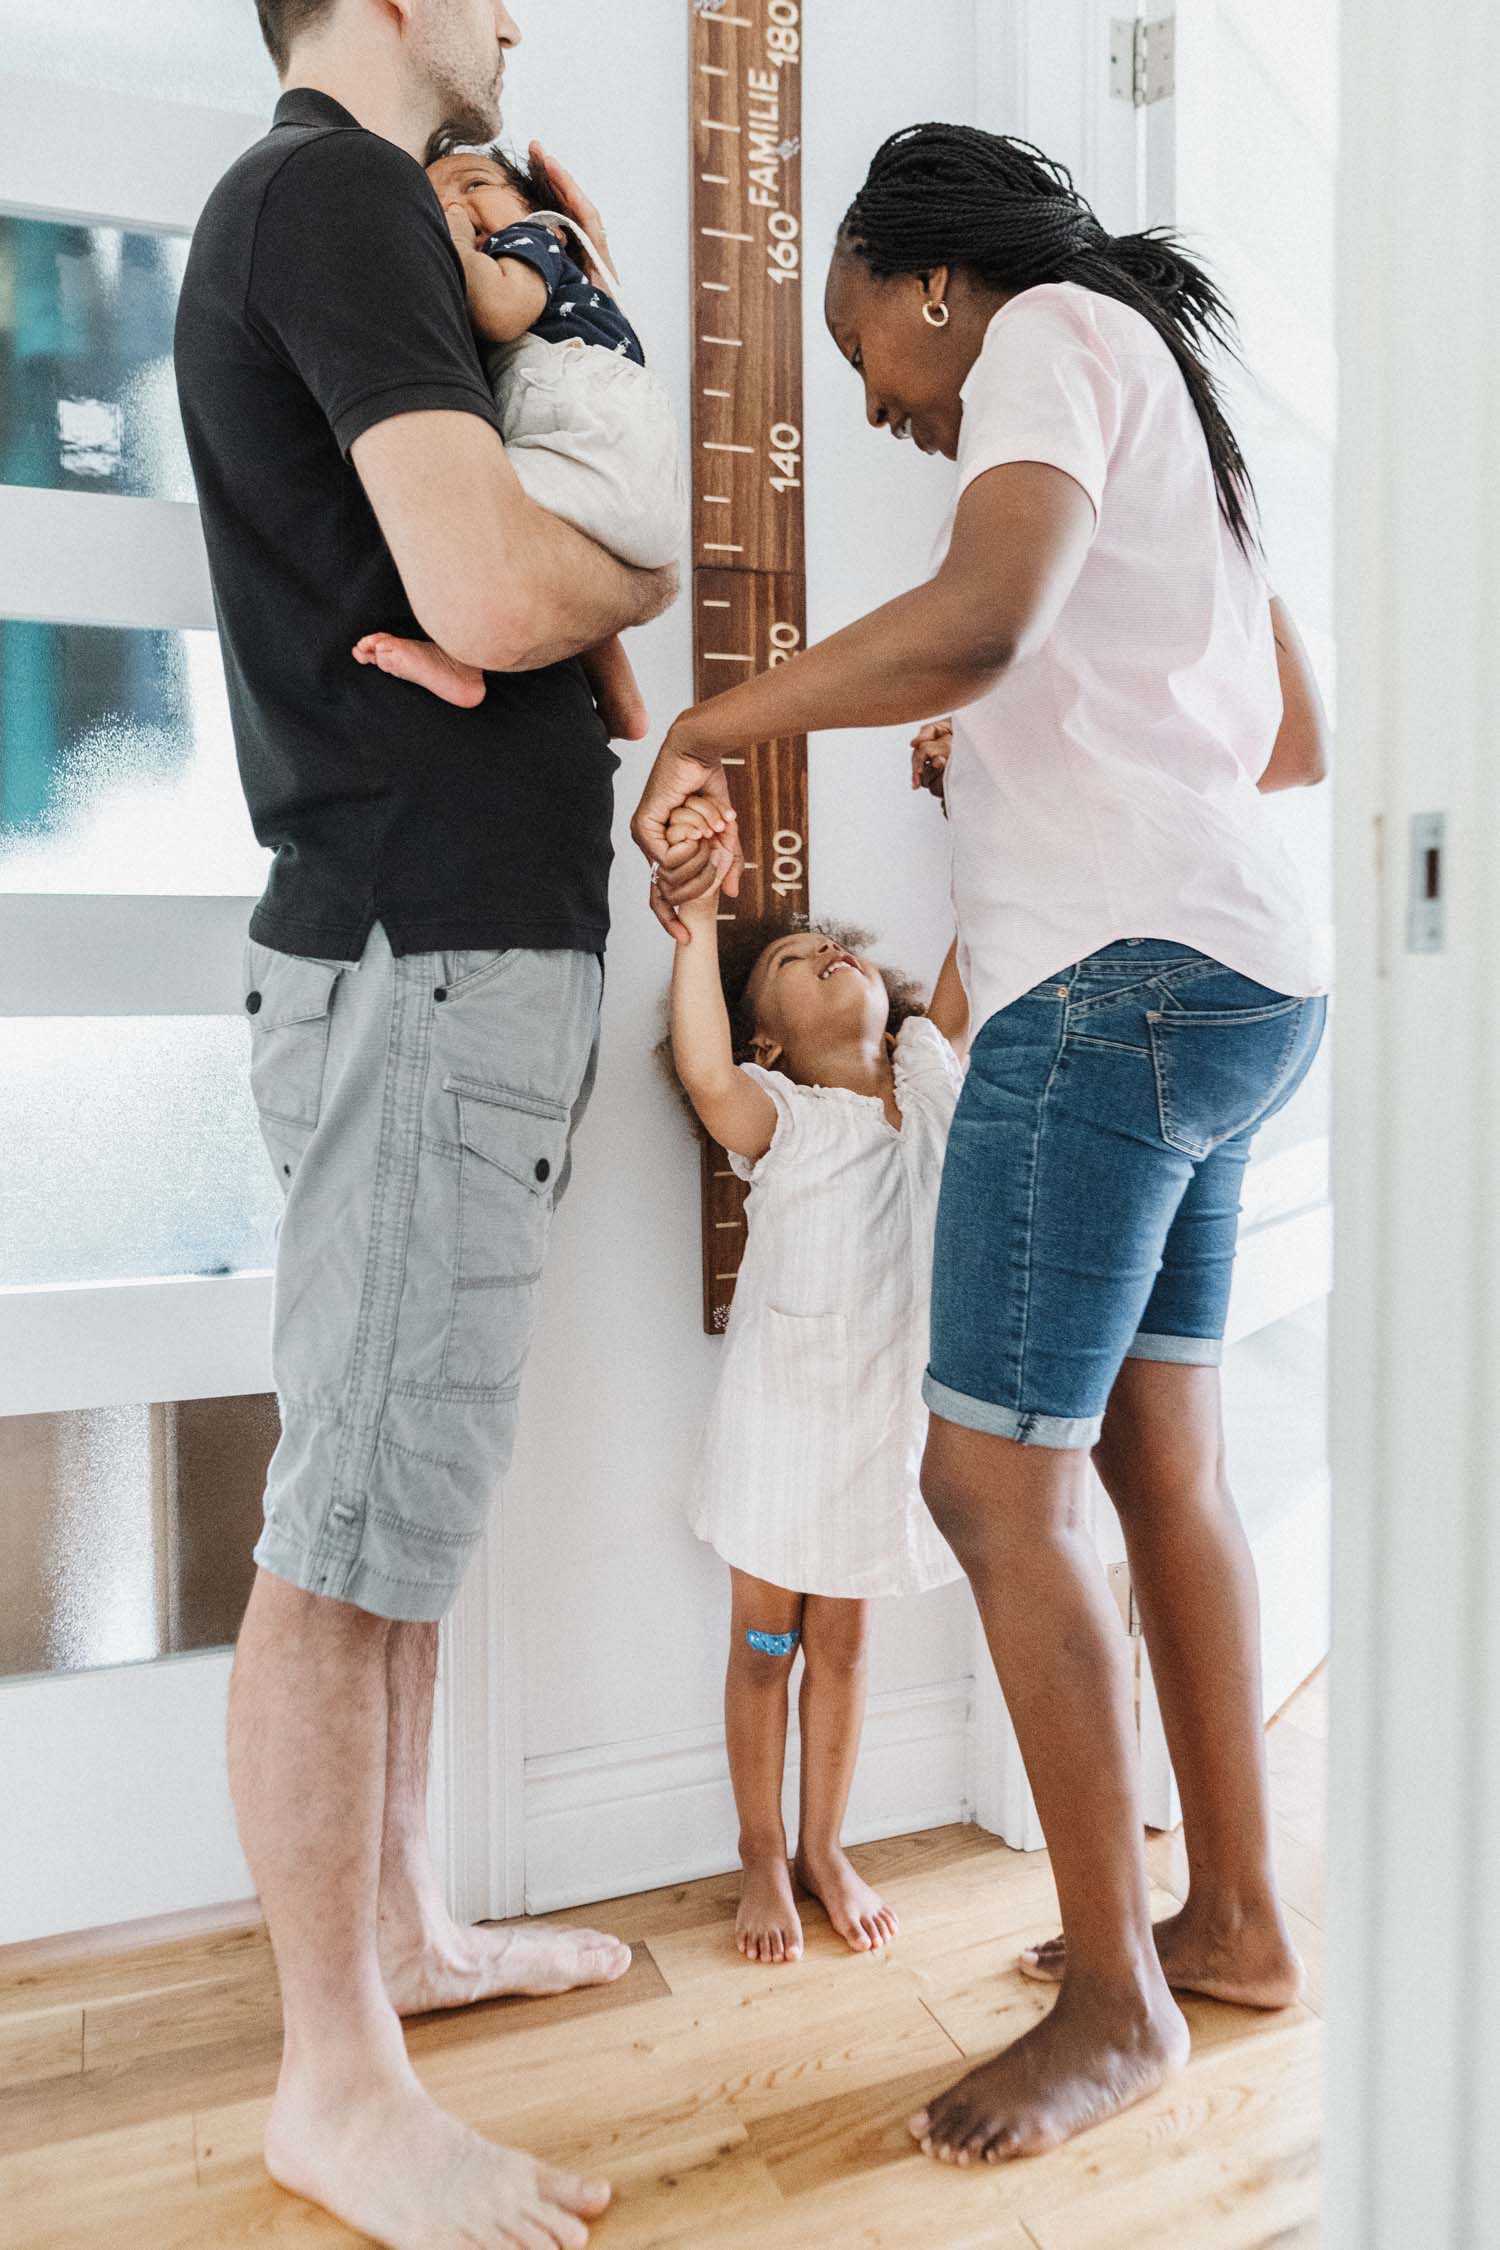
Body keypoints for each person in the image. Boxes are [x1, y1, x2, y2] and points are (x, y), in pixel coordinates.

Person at [636, 122, 1331, 2167]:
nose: (879, 398)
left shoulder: (1039, 328)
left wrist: (714, 724)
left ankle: (1117, 2003)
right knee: (1161, 1464)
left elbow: (981, 616)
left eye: (869, 349)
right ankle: (1234, 1924)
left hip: (1107, 990)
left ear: (927, 277)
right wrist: (1011, 727)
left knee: (983, 1482)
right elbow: (1278, 735)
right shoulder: (1174, 401)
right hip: (1242, 980)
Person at [173, 2, 677, 2244]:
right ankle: (336, 2090)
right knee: (347, 1526)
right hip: (416, 944)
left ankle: (401, 1939)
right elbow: (502, 587)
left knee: (405, 1493)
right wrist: (610, 575)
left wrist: (571, 631)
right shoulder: (334, 194)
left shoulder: (388, 210)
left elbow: (527, 616)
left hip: (456, 933)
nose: (510, 16)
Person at [664, 794, 969, 1964]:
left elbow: (974, 948)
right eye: (798, 957)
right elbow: (703, 1066)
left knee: (843, 1644)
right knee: (764, 1646)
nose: (830, 951)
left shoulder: (930, 1071)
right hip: (786, 1425)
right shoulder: (783, 1113)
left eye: (839, 945)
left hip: (891, 1426)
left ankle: (825, 1844)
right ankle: (758, 1847)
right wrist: (697, 929)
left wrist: (966, 809)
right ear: (773, 1045)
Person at [354, 140, 687, 741]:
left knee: (480, 510)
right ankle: (622, 703)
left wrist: (456, 243)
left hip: (590, 434)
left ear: (536, 206)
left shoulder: (532, 240)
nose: (455, 202)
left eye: (475, 184)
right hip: (637, 487)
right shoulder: (585, 295)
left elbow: (502, 310)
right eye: (436, 201)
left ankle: (462, 659)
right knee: (572, 551)